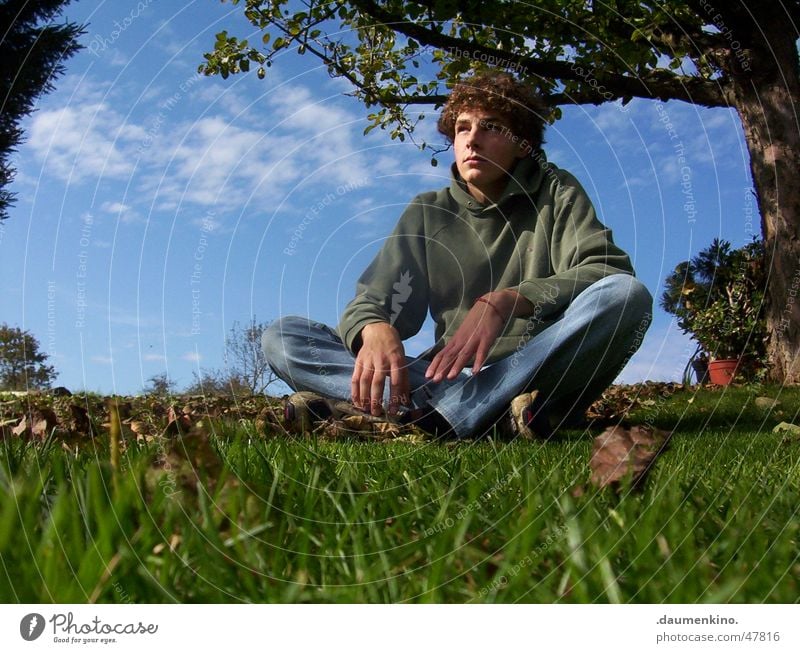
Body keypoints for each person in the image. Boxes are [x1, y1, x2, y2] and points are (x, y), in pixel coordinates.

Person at [263, 72, 652, 439]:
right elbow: (375, 299)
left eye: (491, 127)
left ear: (521, 144)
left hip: (534, 373)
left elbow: (606, 268)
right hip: (443, 378)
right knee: (284, 336)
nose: (472, 139)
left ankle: (419, 413)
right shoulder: (428, 212)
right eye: (463, 127)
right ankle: (480, 415)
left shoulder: (557, 192)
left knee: (625, 296)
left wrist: (508, 300)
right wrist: (374, 327)